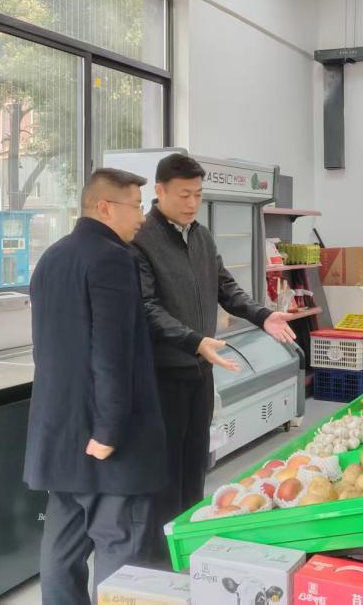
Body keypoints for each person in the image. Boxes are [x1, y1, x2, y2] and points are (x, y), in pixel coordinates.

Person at [131, 153, 298, 562]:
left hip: (200, 371)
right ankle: (161, 556)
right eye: (184, 194)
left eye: (198, 194)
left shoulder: (201, 236)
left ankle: (191, 543)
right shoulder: (141, 239)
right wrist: (193, 340)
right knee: (164, 472)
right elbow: (147, 307)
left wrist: (262, 314)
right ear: (159, 191)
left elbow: (226, 287)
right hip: (163, 374)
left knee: (195, 464)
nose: (192, 203)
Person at [24, 168, 167, 604]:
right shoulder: (113, 259)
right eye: (135, 206)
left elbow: (46, 348)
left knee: (61, 549)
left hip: (60, 434)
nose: (141, 217)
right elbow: (111, 353)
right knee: (120, 546)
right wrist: (109, 431)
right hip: (107, 440)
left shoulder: (51, 257)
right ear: (105, 207)